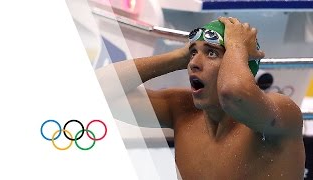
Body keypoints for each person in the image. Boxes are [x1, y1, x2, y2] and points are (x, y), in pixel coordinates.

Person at [96, 17, 305, 179]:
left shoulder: (280, 113)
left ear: (241, 65)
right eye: (193, 53)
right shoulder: (183, 110)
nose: (194, 63)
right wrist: (178, 57)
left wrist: (236, 46)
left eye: (212, 53)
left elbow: (233, 93)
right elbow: (97, 90)